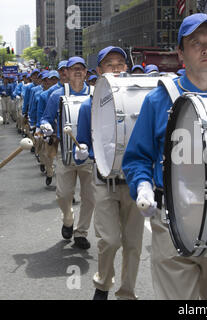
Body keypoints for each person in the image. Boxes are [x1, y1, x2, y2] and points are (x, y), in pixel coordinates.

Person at [122, 13, 207, 300]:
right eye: (196, 43)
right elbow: (137, 158)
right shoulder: (158, 99)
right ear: (181, 53)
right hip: (171, 221)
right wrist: (142, 185)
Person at [74, 46, 145, 300]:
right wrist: (82, 152)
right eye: (109, 63)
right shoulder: (87, 107)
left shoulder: (142, 101)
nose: (116, 67)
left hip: (135, 182)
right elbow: (80, 145)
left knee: (134, 244)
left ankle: (127, 292)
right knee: (110, 240)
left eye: (120, 63)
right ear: (99, 71)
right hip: (105, 182)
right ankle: (103, 283)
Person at [40, 56, 96, 250]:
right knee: (63, 194)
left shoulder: (96, 94)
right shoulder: (57, 95)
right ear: (67, 73)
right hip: (65, 152)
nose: (78, 72)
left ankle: (81, 232)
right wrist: (46, 126)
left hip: (89, 154)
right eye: (73, 69)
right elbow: (46, 118)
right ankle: (68, 217)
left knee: (90, 197)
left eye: (81, 68)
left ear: (87, 73)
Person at [34, 70, 60, 184]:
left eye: (56, 79)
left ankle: (62, 184)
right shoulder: (43, 95)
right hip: (49, 131)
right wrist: (40, 128)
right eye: (51, 79)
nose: (53, 81)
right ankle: (49, 173)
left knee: (63, 160)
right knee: (48, 155)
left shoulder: (65, 92)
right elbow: (40, 113)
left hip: (62, 132)